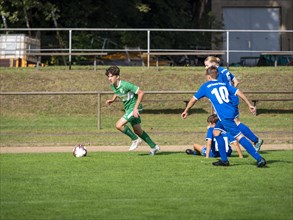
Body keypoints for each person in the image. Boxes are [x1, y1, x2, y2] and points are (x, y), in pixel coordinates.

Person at [181, 66, 266, 167]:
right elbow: (238, 91)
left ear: (208, 77)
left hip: (224, 116)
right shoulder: (224, 84)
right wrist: (249, 104)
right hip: (230, 112)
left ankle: (259, 159)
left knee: (239, 137)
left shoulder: (206, 86)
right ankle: (224, 160)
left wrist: (186, 110)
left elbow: (193, 99)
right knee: (216, 132)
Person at [204, 56, 263, 152]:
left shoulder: (218, 73)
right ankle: (226, 143)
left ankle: (255, 140)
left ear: (214, 63)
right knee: (230, 122)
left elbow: (219, 88)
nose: (206, 68)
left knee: (235, 122)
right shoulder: (225, 70)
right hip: (231, 99)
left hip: (227, 101)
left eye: (207, 65)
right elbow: (236, 81)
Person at [105, 66, 160, 155]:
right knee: (138, 130)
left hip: (135, 108)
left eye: (111, 76)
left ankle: (135, 139)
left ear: (117, 76)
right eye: (108, 76)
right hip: (129, 109)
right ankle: (154, 147)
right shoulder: (113, 86)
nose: (109, 78)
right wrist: (112, 100)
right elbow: (117, 92)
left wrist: (135, 108)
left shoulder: (126, 85)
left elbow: (141, 93)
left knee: (118, 125)